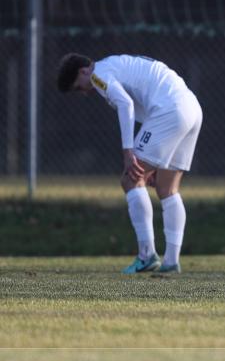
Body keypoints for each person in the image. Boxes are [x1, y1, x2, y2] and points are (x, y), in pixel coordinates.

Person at [57, 53, 202, 274]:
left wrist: (129, 152)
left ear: (83, 71)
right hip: (191, 108)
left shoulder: (98, 75)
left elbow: (125, 104)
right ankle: (171, 263)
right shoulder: (117, 63)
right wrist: (154, 158)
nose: (85, 92)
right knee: (167, 188)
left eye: (79, 87)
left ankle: (147, 256)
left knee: (131, 179)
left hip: (170, 110)